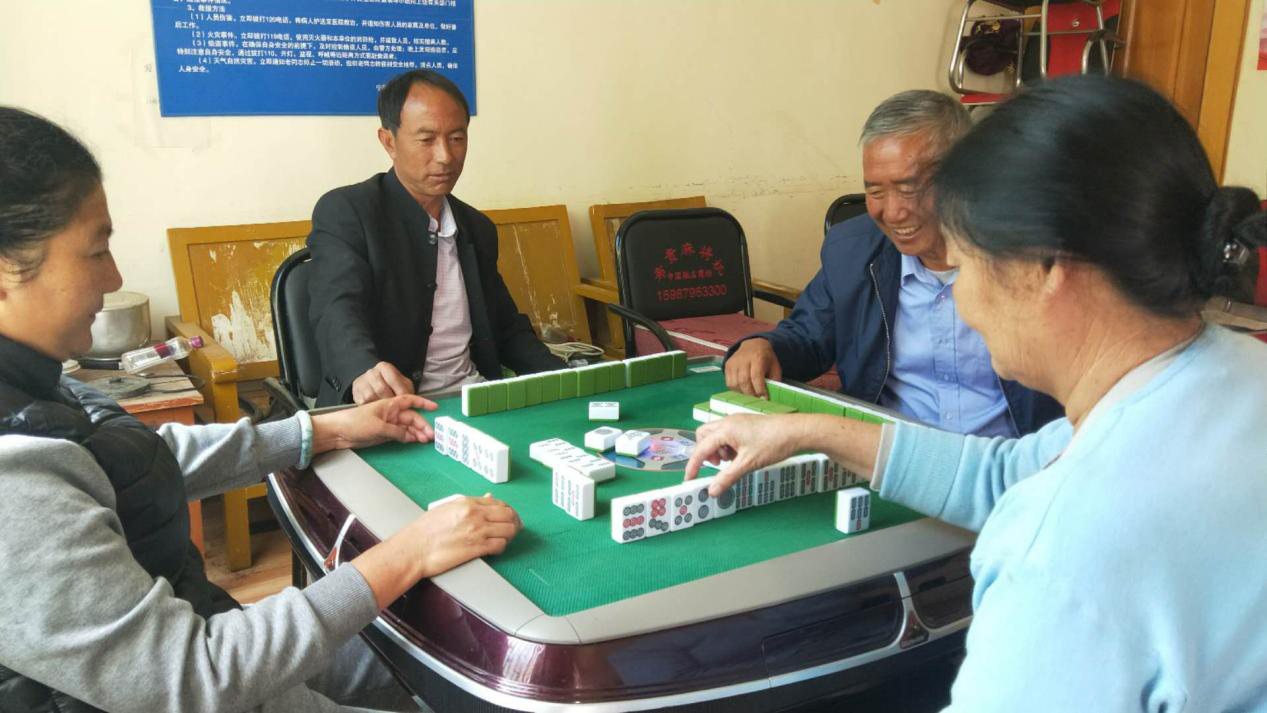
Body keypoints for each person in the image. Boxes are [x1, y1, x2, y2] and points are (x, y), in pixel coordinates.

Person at [688, 76, 1267, 711]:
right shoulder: (1231, 373)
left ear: (1045, 268)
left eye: (964, 263)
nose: (957, 298)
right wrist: (804, 430)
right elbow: (1005, 473)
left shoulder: (1060, 552)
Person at [0, 107, 522, 712]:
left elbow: (135, 460)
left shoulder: (38, 383)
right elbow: (195, 677)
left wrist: (325, 429)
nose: (115, 276)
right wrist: (411, 550)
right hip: (211, 677)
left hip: (211, 628)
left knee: (470, 667)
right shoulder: (15, 482)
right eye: (96, 252)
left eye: (456, 137)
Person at [725, 90, 1061, 437]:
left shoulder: (1034, 258)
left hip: (1012, 457)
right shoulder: (852, 252)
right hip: (889, 453)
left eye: (909, 189)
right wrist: (764, 347)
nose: (894, 212)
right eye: (875, 192)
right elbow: (809, 335)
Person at [307, 69, 563, 408]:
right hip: (386, 409)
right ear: (389, 141)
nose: (445, 156)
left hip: (472, 401)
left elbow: (505, 328)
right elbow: (336, 309)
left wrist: (567, 379)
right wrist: (363, 370)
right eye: (427, 140)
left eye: (457, 138)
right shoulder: (348, 211)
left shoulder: (476, 228)